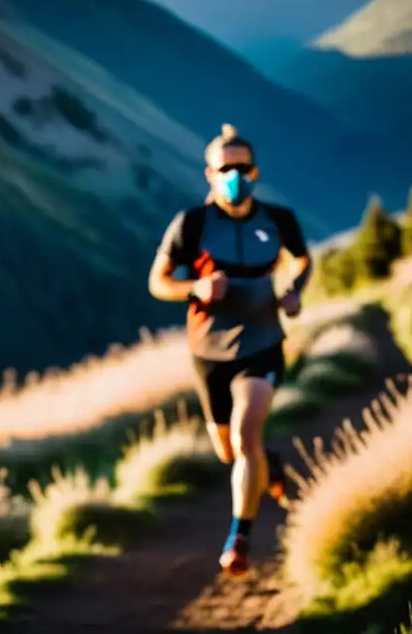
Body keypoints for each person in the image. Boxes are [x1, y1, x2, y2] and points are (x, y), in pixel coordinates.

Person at [147, 123, 311, 578]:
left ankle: (240, 537)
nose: (234, 175)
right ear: (210, 174)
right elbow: (157, 282)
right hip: (209, 350)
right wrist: (195, 285)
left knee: (244, 435)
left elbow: (301, 259)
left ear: (254, 170)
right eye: (226, 168)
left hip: (262, 344)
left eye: (242, 167)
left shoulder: (278, 220)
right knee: (230, 450)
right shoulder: (192, 225)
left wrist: (294, 289)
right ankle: (270, 468)